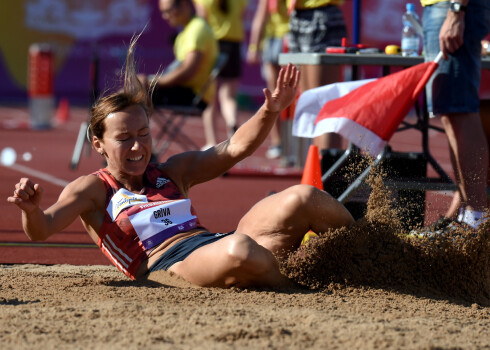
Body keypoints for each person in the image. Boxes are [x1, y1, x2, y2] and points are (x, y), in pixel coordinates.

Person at [7, 35, 354, 289]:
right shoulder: (94, 189)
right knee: (243, 251)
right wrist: (31, 210)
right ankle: (307, 290)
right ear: (98, 143)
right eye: (124, 138)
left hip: (214, 244)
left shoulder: (171, 171)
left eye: (143, 134)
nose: (138, 146)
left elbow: (233, 149)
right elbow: (41, 229)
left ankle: (374, 257)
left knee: (303, 197)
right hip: (169, 267)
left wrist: (270, 110)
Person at [418, 0, 490, 232]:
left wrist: (457, 10)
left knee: (460, 110)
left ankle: (477, 218)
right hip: (442, 7)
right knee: (450, 113)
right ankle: (467, 213)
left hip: (453, 7)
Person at [138, 0, 219, 149]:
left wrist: (152, 82)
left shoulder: (197, 29)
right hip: (185, 91)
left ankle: (140, 150)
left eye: (168, 11)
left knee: (136, 94)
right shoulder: (186, 32)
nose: (165, 16)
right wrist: (149, 80)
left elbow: (188, 71)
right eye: (162, 12)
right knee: (134, 89)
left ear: (184, 5)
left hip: (193, 96)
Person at [288, 0, 348, 153]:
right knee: (309, 102)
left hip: (321, 14)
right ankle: (321, 166)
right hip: (298, 16)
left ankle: (329, 167)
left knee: (324, 101)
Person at [193, 0, 248, 150]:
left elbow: (201, 23)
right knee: (229, 96)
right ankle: (232, 123)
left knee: (209, 97)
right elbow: (241, 16)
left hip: (212, 45)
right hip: (233, 46)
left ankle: (212, 142)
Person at [247, 0, 290, 160]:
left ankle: (285, 143)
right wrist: (253, 47)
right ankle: (279, 142)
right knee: (276, 96)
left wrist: (254, 47)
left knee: (283, 95)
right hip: (277, 41)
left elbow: (260, 17)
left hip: (288, 40)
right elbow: (261, 17)